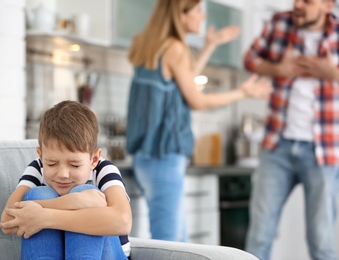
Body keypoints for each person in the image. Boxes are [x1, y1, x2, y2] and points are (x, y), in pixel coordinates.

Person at [126, 0, 273, 242]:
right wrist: (243, 93)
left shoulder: (149, 46)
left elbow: (186, 79)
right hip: (165, 156)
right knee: (169, 243)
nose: (202, 16)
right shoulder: (175, 48)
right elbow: (197, 100)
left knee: (178, 240)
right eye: (197, 10)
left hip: (145, 157)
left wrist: (209, 46)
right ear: (181, 15)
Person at [243, 0, 339, 259]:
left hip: (325, 151)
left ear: (327, 5)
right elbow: (250, 59)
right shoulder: (279, 23)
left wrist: (333, 73)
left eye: (307, 1)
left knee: (321, 241)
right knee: (259, 235)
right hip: (277, 146)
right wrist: (278, 69)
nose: (298, 5)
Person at [0, 100, 132, 259]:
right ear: (41, 156)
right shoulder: (37, 168)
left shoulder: (103, 170)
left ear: (94, 159)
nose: (63, 174)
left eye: (74, 165)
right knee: (40, 194)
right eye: (52, 163)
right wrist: (74, 201)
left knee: (84, 190)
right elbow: (7, 220)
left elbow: (123, 222)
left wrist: (44, 216)